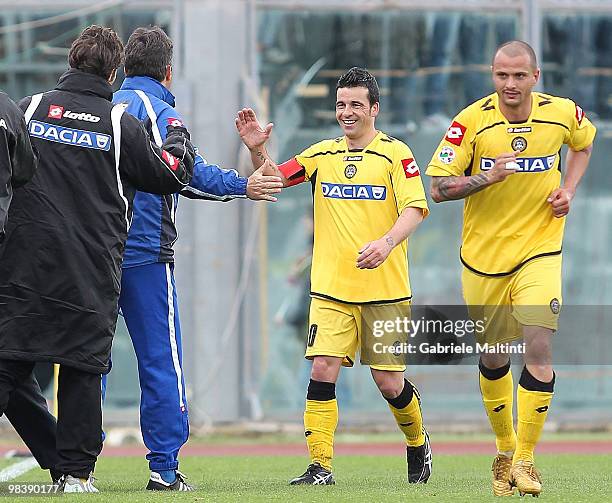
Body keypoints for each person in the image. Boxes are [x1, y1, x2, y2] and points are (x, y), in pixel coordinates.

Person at [0, 25, 195, 493]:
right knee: (82, 367)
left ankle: (54, 454)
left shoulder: (28, 109)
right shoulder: (117, 123)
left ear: (70, 62)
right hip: (89, 264)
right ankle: (74, 472)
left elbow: (15, 169)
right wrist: (178, 142)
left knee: (8, 362)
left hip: (24, 260)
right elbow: (168, 176)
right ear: (113, 72)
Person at [106, 26, 283, 491]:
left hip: (94, 255)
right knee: (161, 362)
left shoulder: (102, 107)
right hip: (144, 254)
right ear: (169, 70)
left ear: (124, 67)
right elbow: (188, 173)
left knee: (87, 359)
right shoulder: (160, 112)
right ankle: (163, 469)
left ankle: (73, 465)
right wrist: (243, 183)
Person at [236, 67, 432, 485]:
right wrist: (256, 150)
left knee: (388, 382)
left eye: (356, 104)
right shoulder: (321, 154)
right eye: (341, 104)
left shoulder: (396, 154)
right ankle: (319, 466)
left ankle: (417, 441)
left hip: (385, 290)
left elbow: (415, 208)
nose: (347, 112)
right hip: (329, 290)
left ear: (374, 109)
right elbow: (273, 177)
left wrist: (386, 243)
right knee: (323, 368)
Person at [426, 40, 596, 497]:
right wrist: (489, 176)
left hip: (540, 249)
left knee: (538, 344)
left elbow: (584, 143)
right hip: (483, 259)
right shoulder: (472, 121)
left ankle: (526, 459)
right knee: (494, 355)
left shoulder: (562, 113)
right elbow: (439, 188)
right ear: (492, 75)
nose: (510, 84)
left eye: (519, 75)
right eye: (502, 75)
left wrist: (570, 190)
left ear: (535, 77)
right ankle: (504, 451)